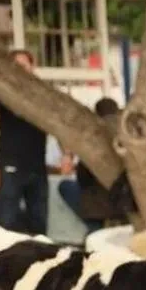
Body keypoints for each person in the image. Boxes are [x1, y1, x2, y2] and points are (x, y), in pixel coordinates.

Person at [0, 49, 50, 234]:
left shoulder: (43, 95)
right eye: (15, 66)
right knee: (7, 224)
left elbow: (59, 127)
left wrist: (66, 154)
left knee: (39, 223)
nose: (20, 70)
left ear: (32, 67)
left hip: (38, 167)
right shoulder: (0, 94)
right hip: (11, 167)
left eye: (24, 65)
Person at [58, 97, 124, 233]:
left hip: (97, 207)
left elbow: (83, 178)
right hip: (125, 204)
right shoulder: (127, 135)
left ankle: (95, 229)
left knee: (64, 186)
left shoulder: (94, 137)